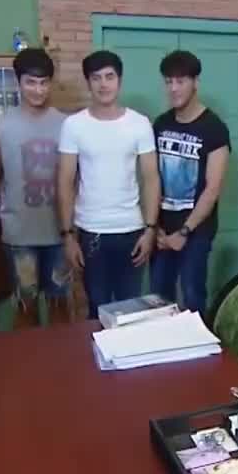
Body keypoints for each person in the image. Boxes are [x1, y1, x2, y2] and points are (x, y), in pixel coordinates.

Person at [56, 50, 160, 319]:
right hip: (90, 232)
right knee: (97, 310)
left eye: (109, 77)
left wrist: (150, 230)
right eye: (96, 78)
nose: (103, 84)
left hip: (132, 231)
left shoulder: (139, 124)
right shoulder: (74, 125)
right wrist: (68, 236)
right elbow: (65, 181)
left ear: (119, 81)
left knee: (131, 312)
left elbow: (151, 178)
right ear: (88, 82)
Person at [0, 48, 70, 325]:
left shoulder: (67, 124)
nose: (38, 90)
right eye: (31, 82)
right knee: (25, 305)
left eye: (44, 82)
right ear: (18, 82)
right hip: (19, 234)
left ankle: (60, 354)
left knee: (60, 306)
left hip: (59, 234)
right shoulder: (1, 126)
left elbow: (75, 178)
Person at [150, 50, 231, 314]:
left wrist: (184, 232)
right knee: (158, 298)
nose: (173, 88)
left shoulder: (214, 128)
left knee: (193, 295)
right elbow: (151, 178)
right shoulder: (161, 124)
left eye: (180, 81)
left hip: (195, 231)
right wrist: (154, 228)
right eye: (168, 81)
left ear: (195, 82)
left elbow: (213, 188)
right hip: (162, 230)